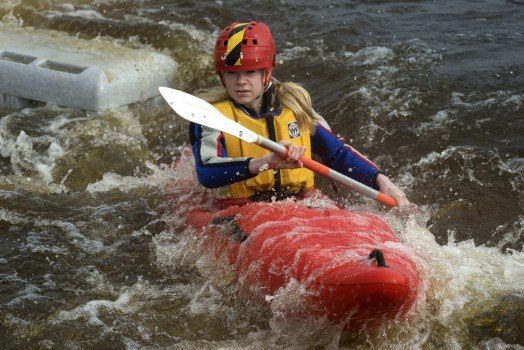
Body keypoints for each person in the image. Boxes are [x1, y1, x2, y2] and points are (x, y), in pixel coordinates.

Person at [189, 21, 410, 206]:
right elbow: (207, 175)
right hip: (244, 206)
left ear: (266, 73)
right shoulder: (211, 118)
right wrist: (266, 163)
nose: (241, 82)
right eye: (232, 73)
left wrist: (382, 181)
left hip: (301, 202)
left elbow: (336, 154)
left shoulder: (294, 106)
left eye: (250, 72)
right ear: (221, 77)